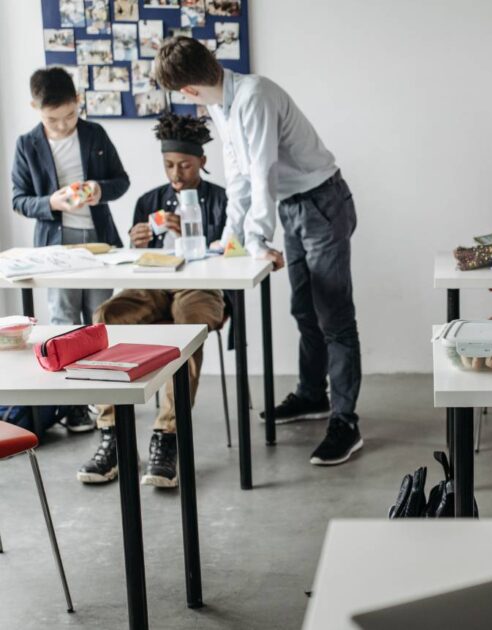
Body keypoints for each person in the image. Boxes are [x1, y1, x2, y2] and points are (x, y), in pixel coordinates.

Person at [152, 37, 363, 466]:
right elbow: (239, 177)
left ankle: (346, 422)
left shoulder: (255, 96)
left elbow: (262, 170)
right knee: (304, 309)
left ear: (187, 90)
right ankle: (311, 395)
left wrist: (256, 239)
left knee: (334, 317)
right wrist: (231, 238)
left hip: (321, 202)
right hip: (293, 206)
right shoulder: (221, 104)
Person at [78, 113, 228, 487]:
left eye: (185, 165)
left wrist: (198, 234)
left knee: (188, 330)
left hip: (200, 285)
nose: (176, 174)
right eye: (169, 165)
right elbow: (132, 262)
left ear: (202, 162)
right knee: (107, 316)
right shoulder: (148, 200)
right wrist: (137, 242)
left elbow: (233, 252)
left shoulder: (222, 199)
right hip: (152, 282)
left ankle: (168, 436)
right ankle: (112, 433)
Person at [11, 66, 129, 433]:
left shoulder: (95, 133)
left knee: (98, 321)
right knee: (62, 324)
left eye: (70, 116)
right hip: (54, 247)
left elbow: (121, 181)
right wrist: (52, 202)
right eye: (53, 118)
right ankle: (72, 406)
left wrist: (98, 190)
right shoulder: (27, 144)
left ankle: (102, 402)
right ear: (34, 106)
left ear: (78, 102)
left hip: (97, 243)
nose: (63, 125)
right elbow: (19, 199)